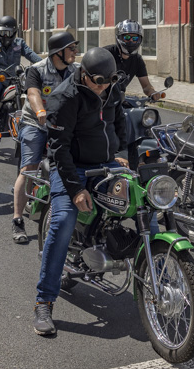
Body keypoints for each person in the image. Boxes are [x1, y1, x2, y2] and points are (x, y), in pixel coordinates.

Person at [32, 47, 128, 337]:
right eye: (98, 82)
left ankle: (158, 273)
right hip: (71, 167)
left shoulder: (111, 89)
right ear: (83, 74)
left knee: (146, 203)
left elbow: (120, 122)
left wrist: (121, 152)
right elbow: (59, 148)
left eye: (108, 82)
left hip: (107, 162)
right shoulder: (64, 97)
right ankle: (44, 301)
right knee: (62, 221)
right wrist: (75, 190)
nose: (103, 88)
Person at [10, 31, 79, 245]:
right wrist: (40, 111)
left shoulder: (77, 71)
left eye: (75, 47)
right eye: (71, 48)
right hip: (36, 123)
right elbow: (33, 93)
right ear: (58, 53)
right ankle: (17, 219)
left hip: (64, 125)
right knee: (29, 169)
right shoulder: (37, 70)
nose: (75, 51)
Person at [102, 20, 163, 155]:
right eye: (127, 37)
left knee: (136, 122)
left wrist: (153, 92)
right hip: (102, 101)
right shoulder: (106, 54)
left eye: (135, 38)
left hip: (120, 100)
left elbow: (146, 85)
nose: (131, 41)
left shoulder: (137, 60)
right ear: (119, 37)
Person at [0, 16, 42, 150]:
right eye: (2, 32)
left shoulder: (19, 43)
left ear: (14, 32)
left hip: (14, 78)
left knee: (30, 91)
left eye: (8, 32)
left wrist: (43, 64)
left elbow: (31, 55)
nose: (5, 36)